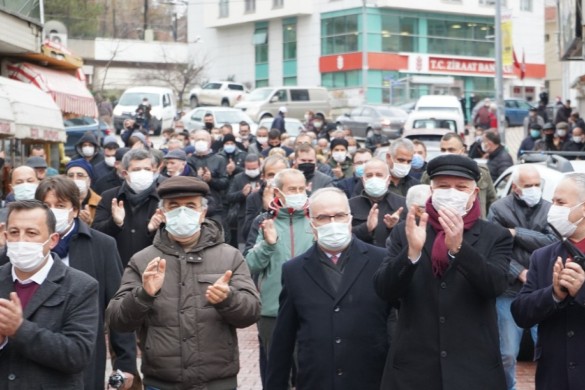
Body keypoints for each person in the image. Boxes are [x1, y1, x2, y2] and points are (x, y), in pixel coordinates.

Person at [106, 176, 261, 390]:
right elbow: (117, 319)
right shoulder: (143, 260)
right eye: (174, 206)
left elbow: (251, 312)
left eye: (190, 206)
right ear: (162, 213)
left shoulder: (230, 256)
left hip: (217, 382)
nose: (182, 212)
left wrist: (229, 299)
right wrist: (143, 295)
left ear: (203, 212)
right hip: (161, 382)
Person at [373, 154, 511, 389]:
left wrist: (459, 248)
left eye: (460, 187)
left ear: (474, 193)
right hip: (414, 369)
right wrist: (412, 254)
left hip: (473, 367)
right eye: (444, 186)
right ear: (431, 190)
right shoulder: (406, 232)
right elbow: (385, 289)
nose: (452, 192)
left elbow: (495, 285)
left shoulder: (495, 235)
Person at [265, 187, 391, 390]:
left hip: (371, 379)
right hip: (317, 380)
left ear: (350, 218)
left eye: (339, 216)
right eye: (323, 217)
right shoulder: (294, 271)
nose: (333, 224)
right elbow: (283, 340)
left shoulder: (381, 260)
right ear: (311, 222)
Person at [30, 177, 138, 390]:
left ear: (75, 210)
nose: (52, 212)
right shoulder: (24, 248)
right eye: (45, 206)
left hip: (83, 354)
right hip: (32, 352)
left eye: (60, 206)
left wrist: (125, 363)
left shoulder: (102, 245)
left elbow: (117, 306)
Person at [0, 200, 99, 389]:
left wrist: (19, 330)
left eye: (31, 233)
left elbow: (77, 355)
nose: (22, 240)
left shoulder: (81, 286)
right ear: (5, 236)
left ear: (52, 240)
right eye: (14, 233)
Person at [511, 173, 585, 390]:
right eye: (552, 202)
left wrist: (582, 291)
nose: (553, 208)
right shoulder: (543, 256)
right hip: (554, 375)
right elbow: (521, 312)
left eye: (561, 203)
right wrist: (553, 294)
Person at [487, 165, 555, 390]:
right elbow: (495, 248)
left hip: (543, 289)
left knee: (547, 349)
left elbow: (552, 241)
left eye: (537, 185)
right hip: (509, 291)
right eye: (528, 186)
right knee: (506, 353)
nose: (534, 189)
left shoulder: (550, 209)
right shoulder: (498, 209)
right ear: (516, 187)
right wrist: (520, 272)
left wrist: (516, 233)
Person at [245, 168, 314, 383]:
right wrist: (268, 243)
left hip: (311, 308)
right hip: (272, 310)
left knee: (309, 370)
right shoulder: (263, 222)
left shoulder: (316, 220)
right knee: (277, 372)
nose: (298, 193)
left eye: (301, 189)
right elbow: (249, 265)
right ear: (278, 193)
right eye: (292, 189)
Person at [93, 149, 160, 267]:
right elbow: (97, 232)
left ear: (153, 171)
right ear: (125, 174)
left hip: (151, 268)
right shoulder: (109, 197)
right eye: (137, 170)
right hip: (117, 267)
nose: (143, 173)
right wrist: (115, 223)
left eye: (147, 169)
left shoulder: (161, 199)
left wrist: (152, 230)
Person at [421, 132, 497, 219]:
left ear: (462, 151)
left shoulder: (481, 173)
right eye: (443, 150)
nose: (446, 153)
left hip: (476, 225)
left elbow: (491, 201)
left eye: (451, 149)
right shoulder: (429, 175)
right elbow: (424, 202)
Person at [350, 159, 405, 247]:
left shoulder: (402, 204)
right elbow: (344, 235)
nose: (374, 179)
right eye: (369, 175)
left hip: (391, 258)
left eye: (379, 175)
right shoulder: (350, 205)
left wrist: (394, 226)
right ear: (363, 180)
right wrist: (366, 228)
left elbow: (408, 238)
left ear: (388, 179)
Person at [242, 155, 289, 244]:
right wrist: (266, 210)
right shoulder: (253, 198)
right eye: (271, 175)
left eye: (280, 174)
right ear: (263, 177)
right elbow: (247, 234)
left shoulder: (296, 197)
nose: (276, 179)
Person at [227, 154, 262, 249]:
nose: (251, 171)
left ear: (259, 166)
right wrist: (242, 193)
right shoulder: (238, 178)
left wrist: (260, 192)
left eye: (254, 168)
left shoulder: (263, 178)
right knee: (243, 248)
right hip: (243, 219)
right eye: (249, 169)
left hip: (262, 217)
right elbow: (229, 197)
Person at [65, 159, 101, 226]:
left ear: (89, 180)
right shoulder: (58, 201)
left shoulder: (100, 202)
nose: (75, 179)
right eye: (70, 176)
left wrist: (89, 223)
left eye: (80, 175)